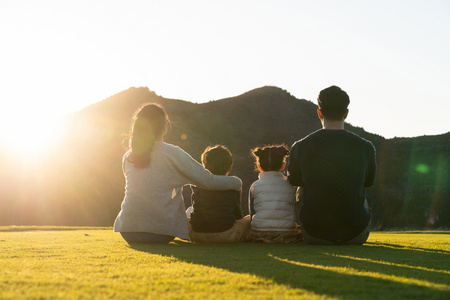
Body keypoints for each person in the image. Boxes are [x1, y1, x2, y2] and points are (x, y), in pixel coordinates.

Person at [113, 104, 242, 243]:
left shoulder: (128, 156)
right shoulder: (173, 154)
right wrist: (237, 182)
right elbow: (208, 181)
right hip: (160, 232)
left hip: (127, 231)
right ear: (164, 127)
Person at [287, 85, 377, 245]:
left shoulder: (300, 146)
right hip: (356, 235)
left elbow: (293, 180)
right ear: (346, 113)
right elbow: (369, 182)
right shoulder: (366, 147)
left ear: (319, 112)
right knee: (359, 184)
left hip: (313, 234)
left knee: (301, 187)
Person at [187, 145, 250, 243]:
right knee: (249, 220)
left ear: (205, 167)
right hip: (226, 235)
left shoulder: (198, 185)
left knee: (189, 210)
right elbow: (238, 216)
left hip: (197, 235)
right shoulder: (232, 186)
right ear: (230, 167)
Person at [247, 144, 301, 243]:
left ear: (259, 166)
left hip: (260, 231)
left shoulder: (255, 186)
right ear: (283, 165)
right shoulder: (290, 185)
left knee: (246, 219)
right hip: (287, 232)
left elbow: (252, 213)